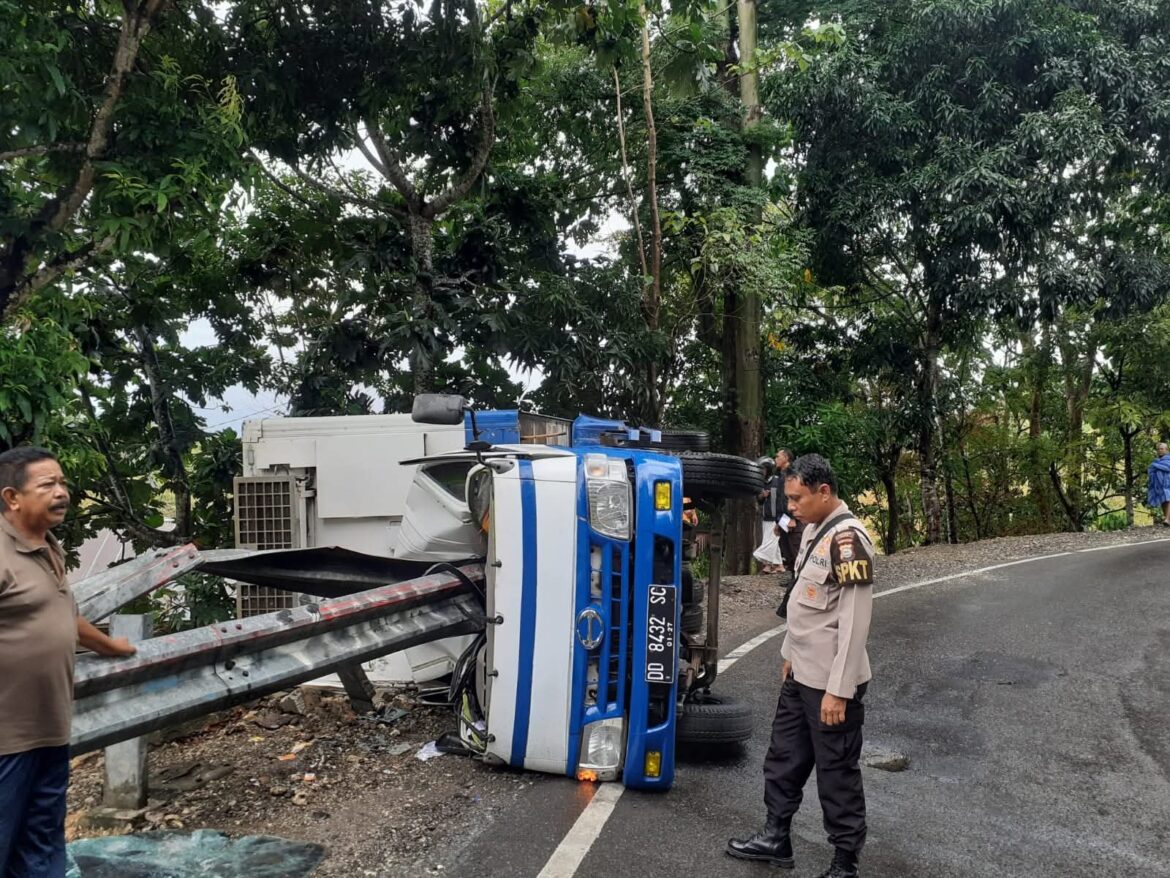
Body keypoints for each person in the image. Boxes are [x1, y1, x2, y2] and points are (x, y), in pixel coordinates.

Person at [728, 454, 875, 878]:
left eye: (797, 498)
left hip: (830, 682)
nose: (790, 506)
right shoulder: (813, 530)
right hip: (802, 674)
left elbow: (853, 619)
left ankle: (845, 863)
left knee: (836, 774)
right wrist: (790, 653)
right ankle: (776, 838)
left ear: (823, 492)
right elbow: (803, 603)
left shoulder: (848, 540)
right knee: (783, 759)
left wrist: (840, 689)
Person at [0, 447, 136, 877]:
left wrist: (109, 646)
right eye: (48, 485)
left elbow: (61, 613)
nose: (62, 493)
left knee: (41, 844)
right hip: (5, 740)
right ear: (12, 497)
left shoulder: (48, 547)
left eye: (63, 484)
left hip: (50, 731)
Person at [754, 451, 788, 574]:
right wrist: (762, 496)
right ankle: (778, 565)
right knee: (772, 541)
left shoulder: (778, 481)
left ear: (768, 469)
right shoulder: (761, 484)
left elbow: (784, 499)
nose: (761, 472)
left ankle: (763, 560)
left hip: (776, 517)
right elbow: (759, 501)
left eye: (762, 469)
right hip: (766, 516)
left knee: (770, 541)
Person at [1148, 442, 1170, 527]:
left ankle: (1167, 519)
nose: (1160, 451)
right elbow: (1151, 470)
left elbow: (1168, 467)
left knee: (1168, 499)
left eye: (1162, 449)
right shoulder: (1156, 461)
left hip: (1167, 483)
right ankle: (1167, 519)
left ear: (1166, 450)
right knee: (1163, 501)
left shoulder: (1169, 459)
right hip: (1158, 485)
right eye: (1158, 449)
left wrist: (1156, 466)